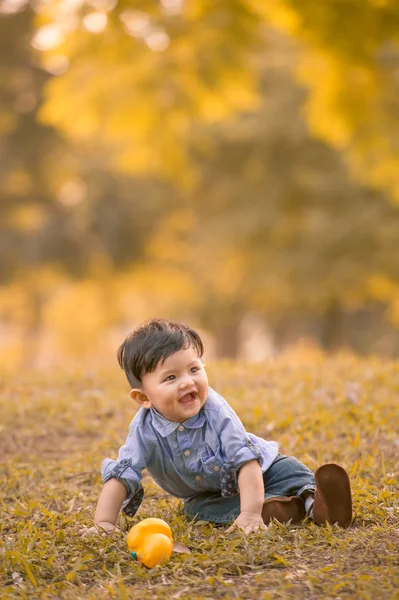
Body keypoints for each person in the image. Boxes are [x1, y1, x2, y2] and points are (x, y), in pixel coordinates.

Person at [93, 319, 352, 535]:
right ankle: (276, 508)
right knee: (198, 510)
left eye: (194, 369)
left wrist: (248, 514)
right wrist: (104, 522)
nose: (187, 382)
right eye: (171, 377)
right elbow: (121, 475)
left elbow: (246, 460)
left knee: (290, 470)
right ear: (144, 398)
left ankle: (316, 503)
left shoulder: (216, 411)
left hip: (260, 470)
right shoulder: (142, 430)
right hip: (207, 493)